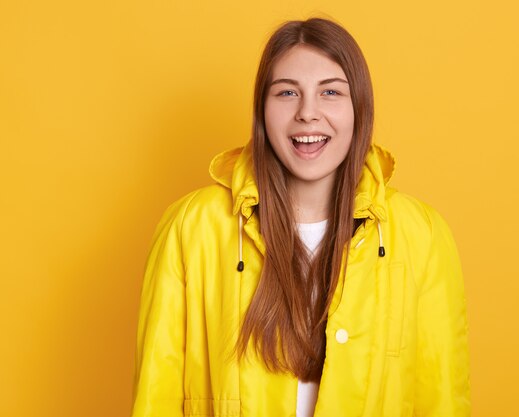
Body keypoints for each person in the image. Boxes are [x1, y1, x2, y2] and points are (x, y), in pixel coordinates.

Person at [131, 17, 470, 417]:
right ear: (262, 109)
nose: (308, 113)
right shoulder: (191, 228)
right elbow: (156, 398)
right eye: (287, 92)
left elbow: (441, 400)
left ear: (359, 106)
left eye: (330, 92)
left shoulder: (421, 235)